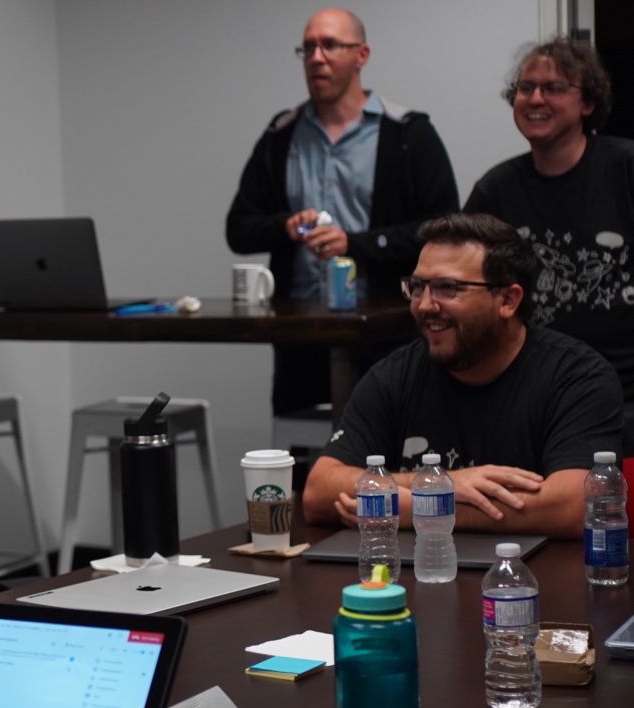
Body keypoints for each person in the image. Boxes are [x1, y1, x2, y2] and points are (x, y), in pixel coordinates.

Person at [303, 214, 623, 538]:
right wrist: (439, 483)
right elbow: (319, 490)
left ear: (508, 300)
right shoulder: (394, 375)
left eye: (448, 288)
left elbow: (573, 506)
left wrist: (421, 509)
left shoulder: (577, 377)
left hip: (526, 581)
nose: (425, 306)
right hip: (415, 577)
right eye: (417, 288)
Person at [226, 7, 459, 416]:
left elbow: (443, 230)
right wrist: (286, 226)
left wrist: (355, 243)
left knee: (382, 465)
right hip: (301, 336)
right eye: (308, 47)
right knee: (303, 467)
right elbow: (238, 229)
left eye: (330, 45)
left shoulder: (407, 134)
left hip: (387, 332)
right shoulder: (281, 134)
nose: (317, 57)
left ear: (361, 55)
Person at [463, 36, 634, 449]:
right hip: (533, 389)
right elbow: (459, 279)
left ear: (587, 104)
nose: (535, 98)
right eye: (525, 88)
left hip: (627, 387)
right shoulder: (495, 189)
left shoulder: (625, 168)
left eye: (553, 88)